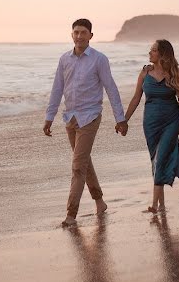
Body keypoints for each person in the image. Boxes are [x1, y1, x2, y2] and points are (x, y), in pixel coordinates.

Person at [44, 18, 128, 227]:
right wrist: (49, 117)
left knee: (77, 166)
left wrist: (120, 118)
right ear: (71, 35)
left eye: (83, 32)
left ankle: (71, 214)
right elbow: (57, 89)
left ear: (91, 35)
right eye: (76, 32)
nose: (79, 36)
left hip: (90, 116)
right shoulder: (64, 59)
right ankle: (99, 201)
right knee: (83, 162)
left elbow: (111, 88)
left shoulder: (99, 59)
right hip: (70, 118)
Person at [123, 39, 179, 213]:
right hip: (151, 123)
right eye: (150, 50)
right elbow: (135, 98)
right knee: (155, 160)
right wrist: (123, 120)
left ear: (162, 54)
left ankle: (154, 205)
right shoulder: (145, 73)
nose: (150, 53)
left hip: (171, 121)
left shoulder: (175, 74)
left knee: (161, 157)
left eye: (153, 50)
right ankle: (162, 205)